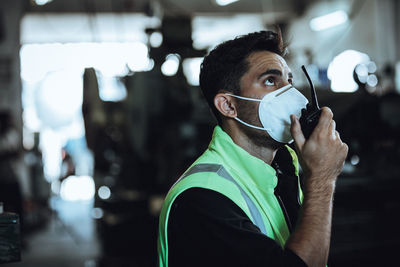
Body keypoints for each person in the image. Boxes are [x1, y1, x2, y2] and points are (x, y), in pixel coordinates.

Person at [157, 30, 348, 267]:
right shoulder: (201, 199)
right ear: (228, 105)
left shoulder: (285, 167)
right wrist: (321, 180)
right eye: (270, 80)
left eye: (288, 81)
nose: (290, 93)